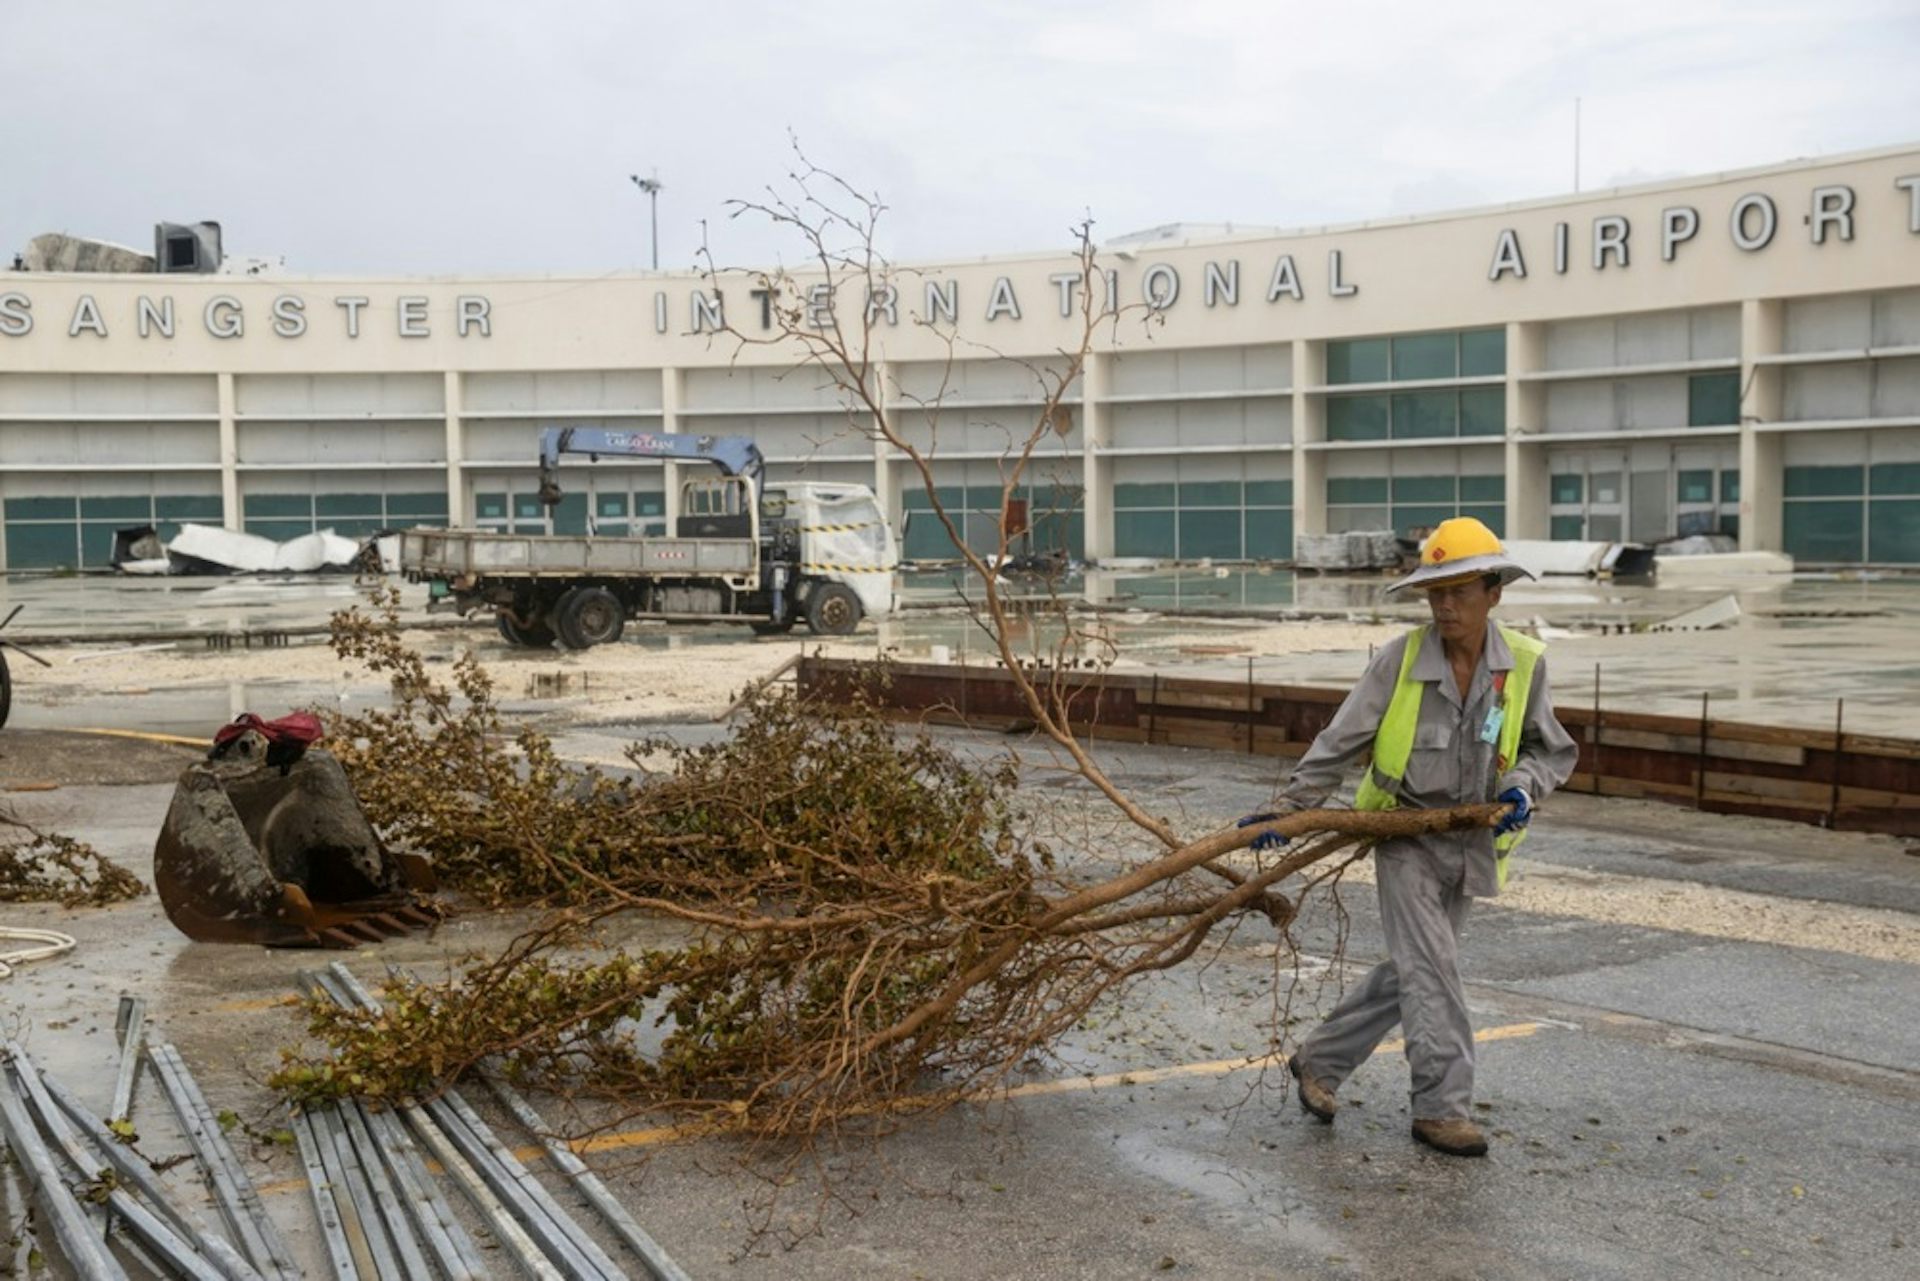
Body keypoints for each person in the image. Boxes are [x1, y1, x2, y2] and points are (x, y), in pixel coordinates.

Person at [1239, 517, 1577, 1157]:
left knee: (1414, 971)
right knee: (1434, 970)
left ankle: (1319, 1058)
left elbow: (1550, 750)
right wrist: (1286, 808)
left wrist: (1524, 788)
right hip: (1405, 835)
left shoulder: (1525, 667)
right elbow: (1339, 742)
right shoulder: (1399, 662)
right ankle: (1440, 1108)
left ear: (1494, 593)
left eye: (1460, 591)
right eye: (1435, 593)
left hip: (1473, 841)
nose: (1445, 606)